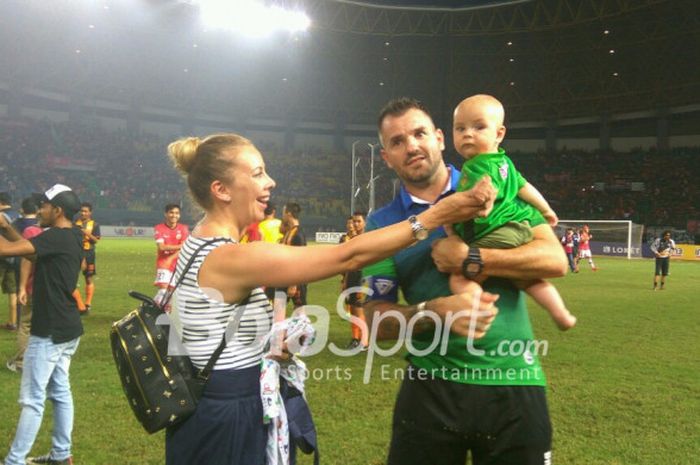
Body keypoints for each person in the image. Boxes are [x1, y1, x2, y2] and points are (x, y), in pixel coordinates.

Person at [163, 133, 497, 465]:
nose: (270, 182)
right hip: (229, 413)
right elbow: (347, 257)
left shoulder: (200, 244)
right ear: (221, 189)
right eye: (257, 173)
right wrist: (435, 216)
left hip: (212, 404)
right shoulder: (228, 258)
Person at [362, 97, 568, 465]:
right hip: (431, 388)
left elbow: (555, 260)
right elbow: (376, 321)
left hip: (514, 380)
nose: (411, 145)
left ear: (440, 138)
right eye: (397, 142)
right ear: (386, 157)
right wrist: (434, 312)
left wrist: (473, 258)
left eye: (419, 133)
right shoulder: (382, 225)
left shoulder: (495, 181)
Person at [451, 94, 575, 330]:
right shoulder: (505, 162)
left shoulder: (476, 165)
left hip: (495, 230)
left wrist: (457, 219)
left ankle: (481, 309)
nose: (467, 133)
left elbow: (479, 196)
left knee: (459, 275)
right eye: (460, 128)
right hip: (520, 229)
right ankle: (561, 313)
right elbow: (525, 188)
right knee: (529, 279)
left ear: (499, 134)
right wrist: (546, 208)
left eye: (478, 127)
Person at [0, 184, 84, 465]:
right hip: (68, 328)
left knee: (33, 399)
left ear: (57, 210)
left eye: (45, 206)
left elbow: (7, 250)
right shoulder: (71, 235)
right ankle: (62, 455)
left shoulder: (55, 237)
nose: (40, 210)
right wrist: (6, 226)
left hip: (48, 331)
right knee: (60, 392)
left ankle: (14, 461)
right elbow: (32, 253)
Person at [6, 197, 43, 373]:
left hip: (31, 283)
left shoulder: (28, 229)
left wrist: (22, 286)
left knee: (27, 324)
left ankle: (22, 362)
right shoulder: (64, 233)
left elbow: (27, 260)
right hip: (53, 289)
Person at [342, 211, 369, 350]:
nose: (355, 224)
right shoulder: (353, 239)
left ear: (365, 222)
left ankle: (364, 342)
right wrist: (346, 280)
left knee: (359, 309)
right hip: (352, 276)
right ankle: (356, 338)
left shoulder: (368, 238)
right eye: (354, 221)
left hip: (362, 277)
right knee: (353, 308)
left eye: (358, 221)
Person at [153, 203, 189, 301]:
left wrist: (171, 258)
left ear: (179, 215)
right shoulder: (159, 228)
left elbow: (184, 248)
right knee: (163, 291)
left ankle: (165, 313)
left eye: (177, 213)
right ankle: (151, 311)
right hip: (163, 263)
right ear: (166, 214)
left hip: (178, 264)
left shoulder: (183, 228)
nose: (174, 215)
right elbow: (162, 247)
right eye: (171, 212)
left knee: (171, 294)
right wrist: (180, 246)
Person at [73, 202, 101, 314]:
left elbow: (96, 240)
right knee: (72, 279)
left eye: (85, 211)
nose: (83, 213)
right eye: (82, 211)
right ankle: (78, 305)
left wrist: (85, 233)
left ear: (90, 212)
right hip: (76, 253)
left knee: (88, 278)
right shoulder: (75, 223)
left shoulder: (94, 225)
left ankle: (88, 304)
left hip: (89, 253)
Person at [280, 202, 307, 309]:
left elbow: (300, 260)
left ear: (289, 214)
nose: (282, 215)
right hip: (285, 277)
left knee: (299, 312)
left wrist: (294, 284)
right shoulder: (290, 231)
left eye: (283, 212)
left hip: (296, 280)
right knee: (278, 310)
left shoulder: (298, 234)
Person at [0, 192, 19, 330]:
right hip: (15, 256)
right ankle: (12, 322)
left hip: (2, 255)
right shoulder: (18, 215)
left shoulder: (1, 216)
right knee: (13, 291)